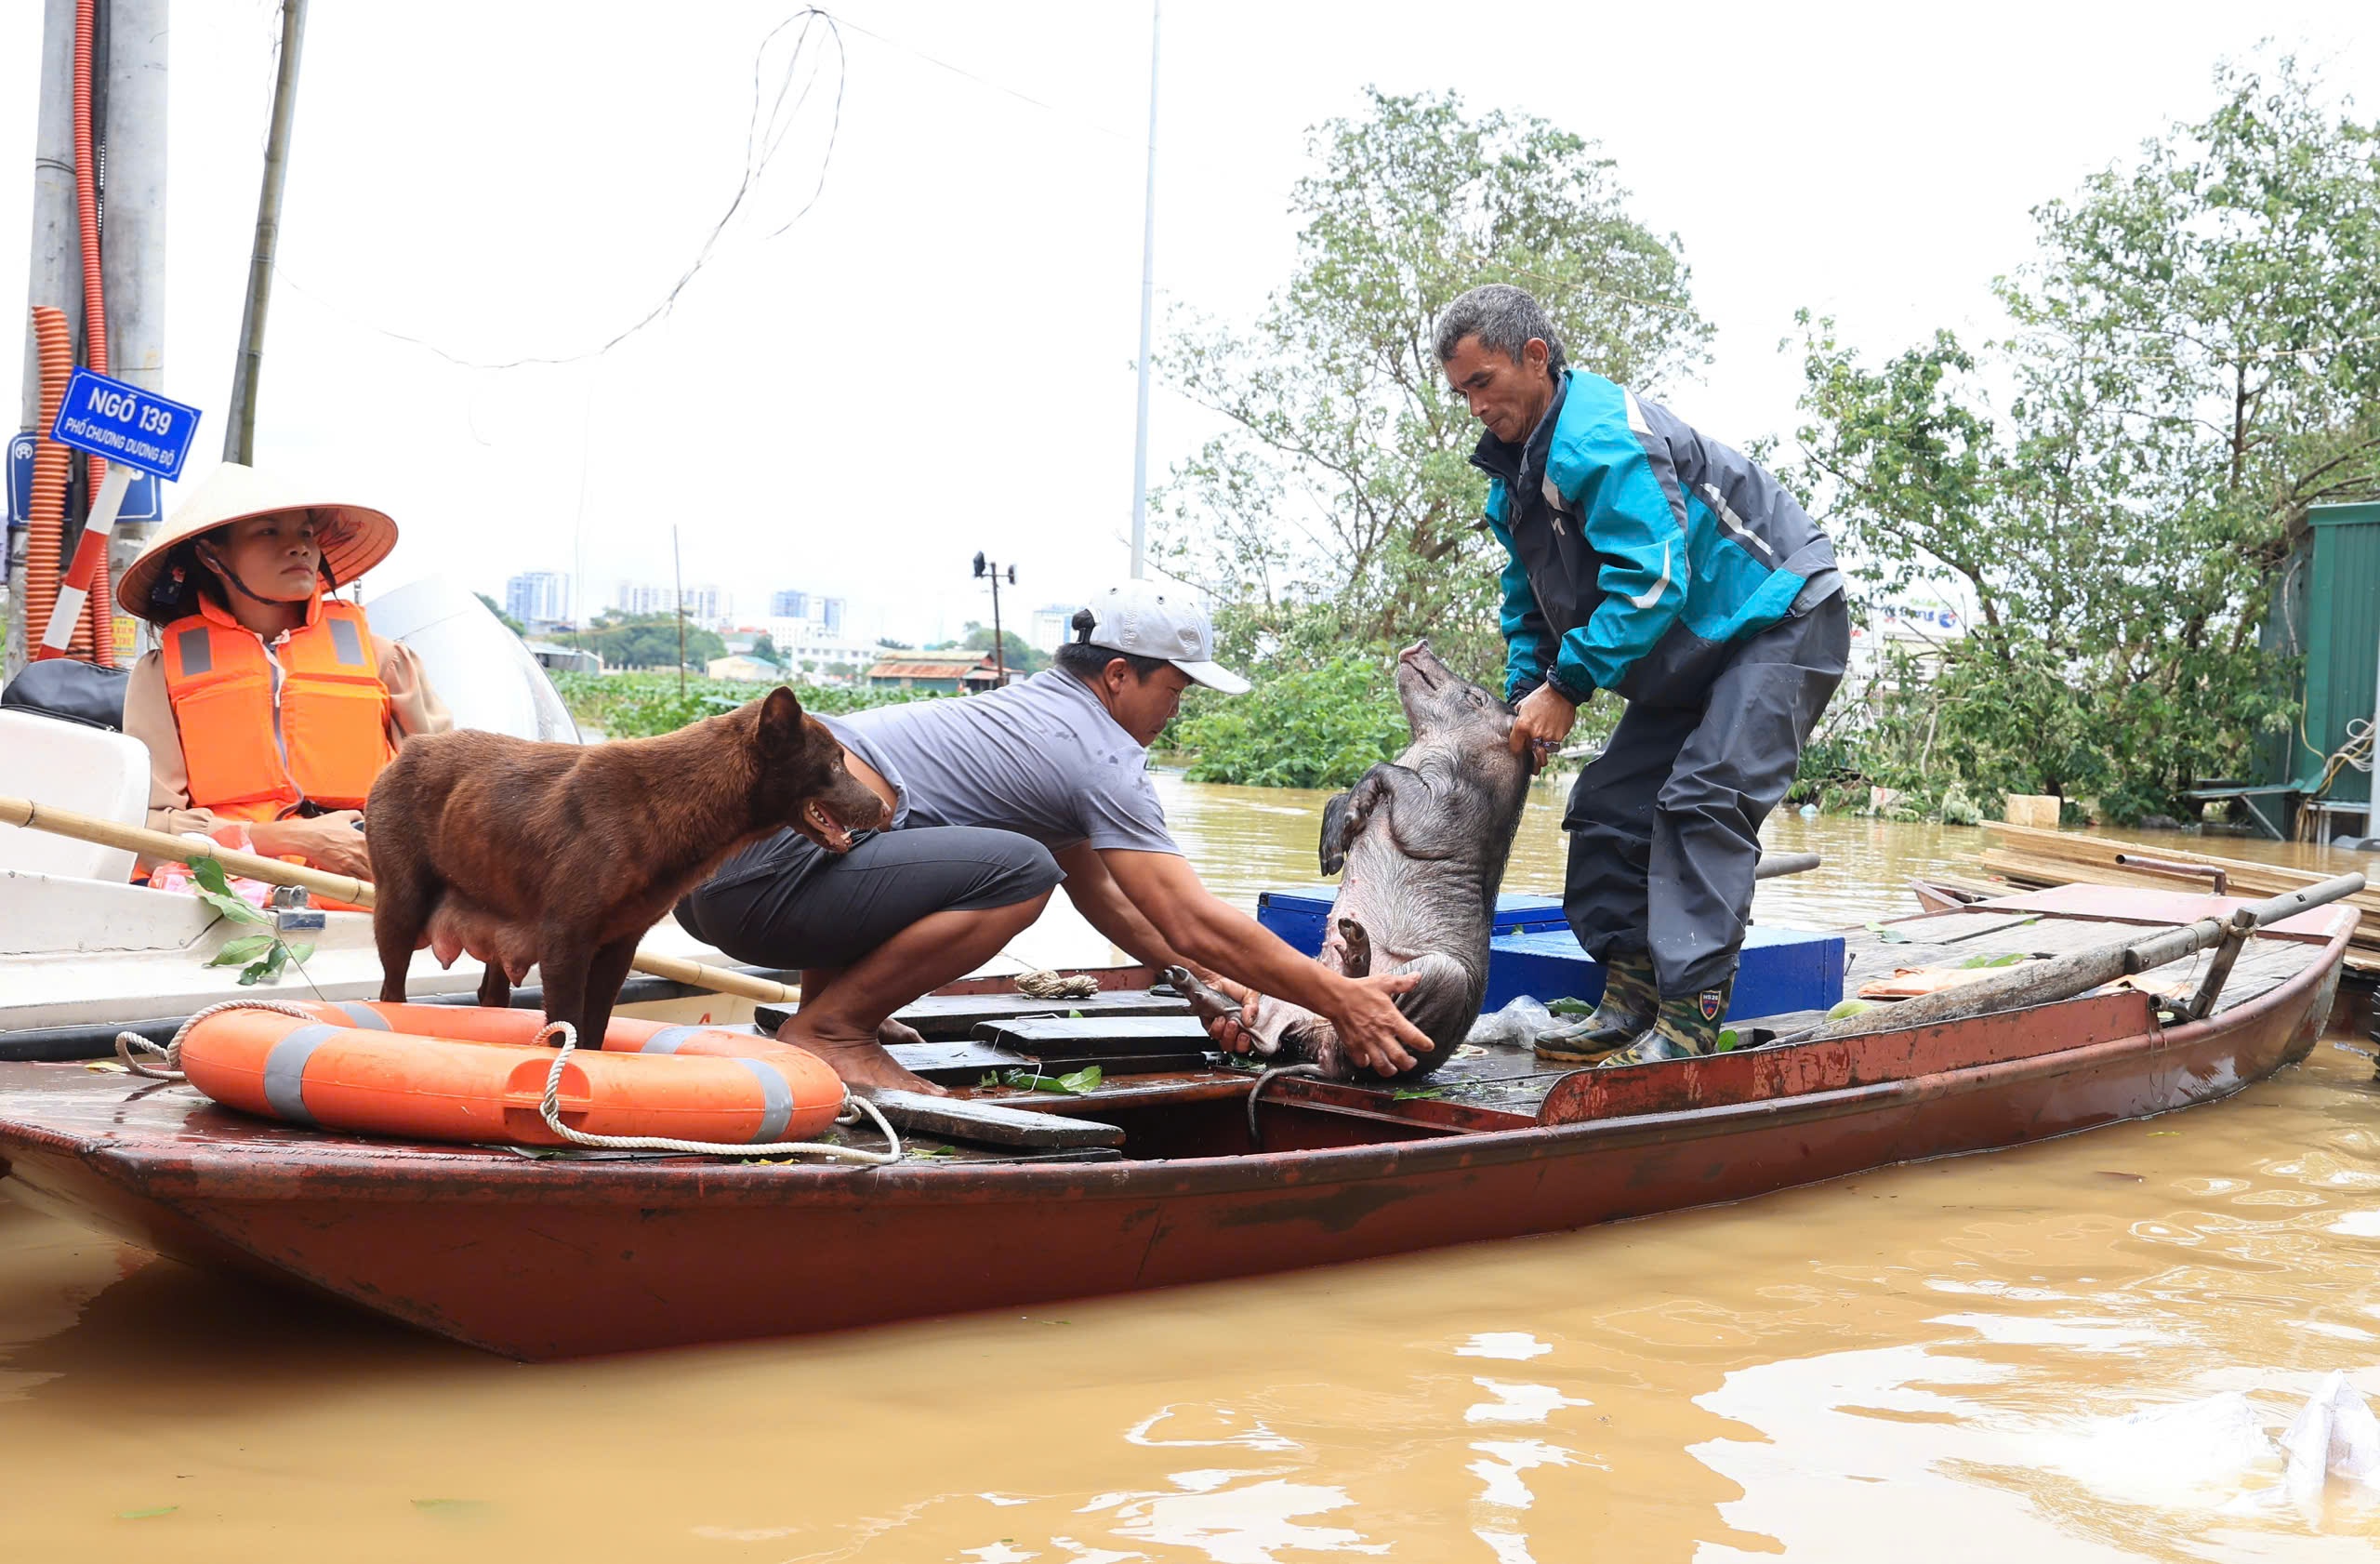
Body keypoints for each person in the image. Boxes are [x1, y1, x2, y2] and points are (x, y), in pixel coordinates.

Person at [677, 582, 1435, 1093]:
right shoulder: (1097, 753)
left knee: (990, 853)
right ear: (1116, 677)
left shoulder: (1043, 718)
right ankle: (834, 1029)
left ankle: (841, 1012)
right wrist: (1340, 999)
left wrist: (1212, 985)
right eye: (1174, 689)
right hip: (767, 873)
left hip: (713, 876)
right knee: (1020, 870)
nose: (1178, 710)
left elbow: (1111, 903)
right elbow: (1186, 916)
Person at [1435, 283, 1848, 1066]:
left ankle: (1687, 1028)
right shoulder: (1514, 479)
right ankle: (1630, 1002)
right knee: (1609, 807)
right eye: (1461, 392)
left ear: (1534, 358)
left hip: (1778, 617)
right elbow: (1529, 598)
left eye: (1481, 384)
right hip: (1692, 649)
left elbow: (1655, 583)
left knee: (1703, 801)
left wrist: (1569, 685)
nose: (1473, 407)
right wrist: (1528, 690)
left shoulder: (1601, 437)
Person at [116, 463, 452, 881]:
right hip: (221, 906)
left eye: (306, 533)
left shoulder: (387, 661)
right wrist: (292, 838)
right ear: (211, 555)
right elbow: (148, 831)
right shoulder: (161, 674)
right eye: (269, 532)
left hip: (366, 907)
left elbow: (445, 798)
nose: (300, 548)